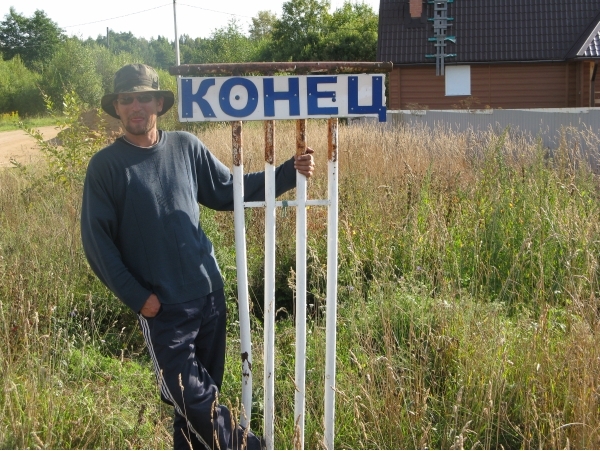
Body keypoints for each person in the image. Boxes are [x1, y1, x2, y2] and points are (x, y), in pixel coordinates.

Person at [80, 64, 315, 450]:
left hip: (208, 297)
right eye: (127, 99)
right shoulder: (105, 167)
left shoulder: (185, 147)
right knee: (192, 398)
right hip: (162, 308)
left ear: (159, 103)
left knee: (193, 413)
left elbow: (228, 190)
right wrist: (139, 299)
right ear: (117, 107)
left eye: (144, 98)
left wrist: (288, 173)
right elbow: (97, 243)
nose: (136, 106)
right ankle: (249, 447)